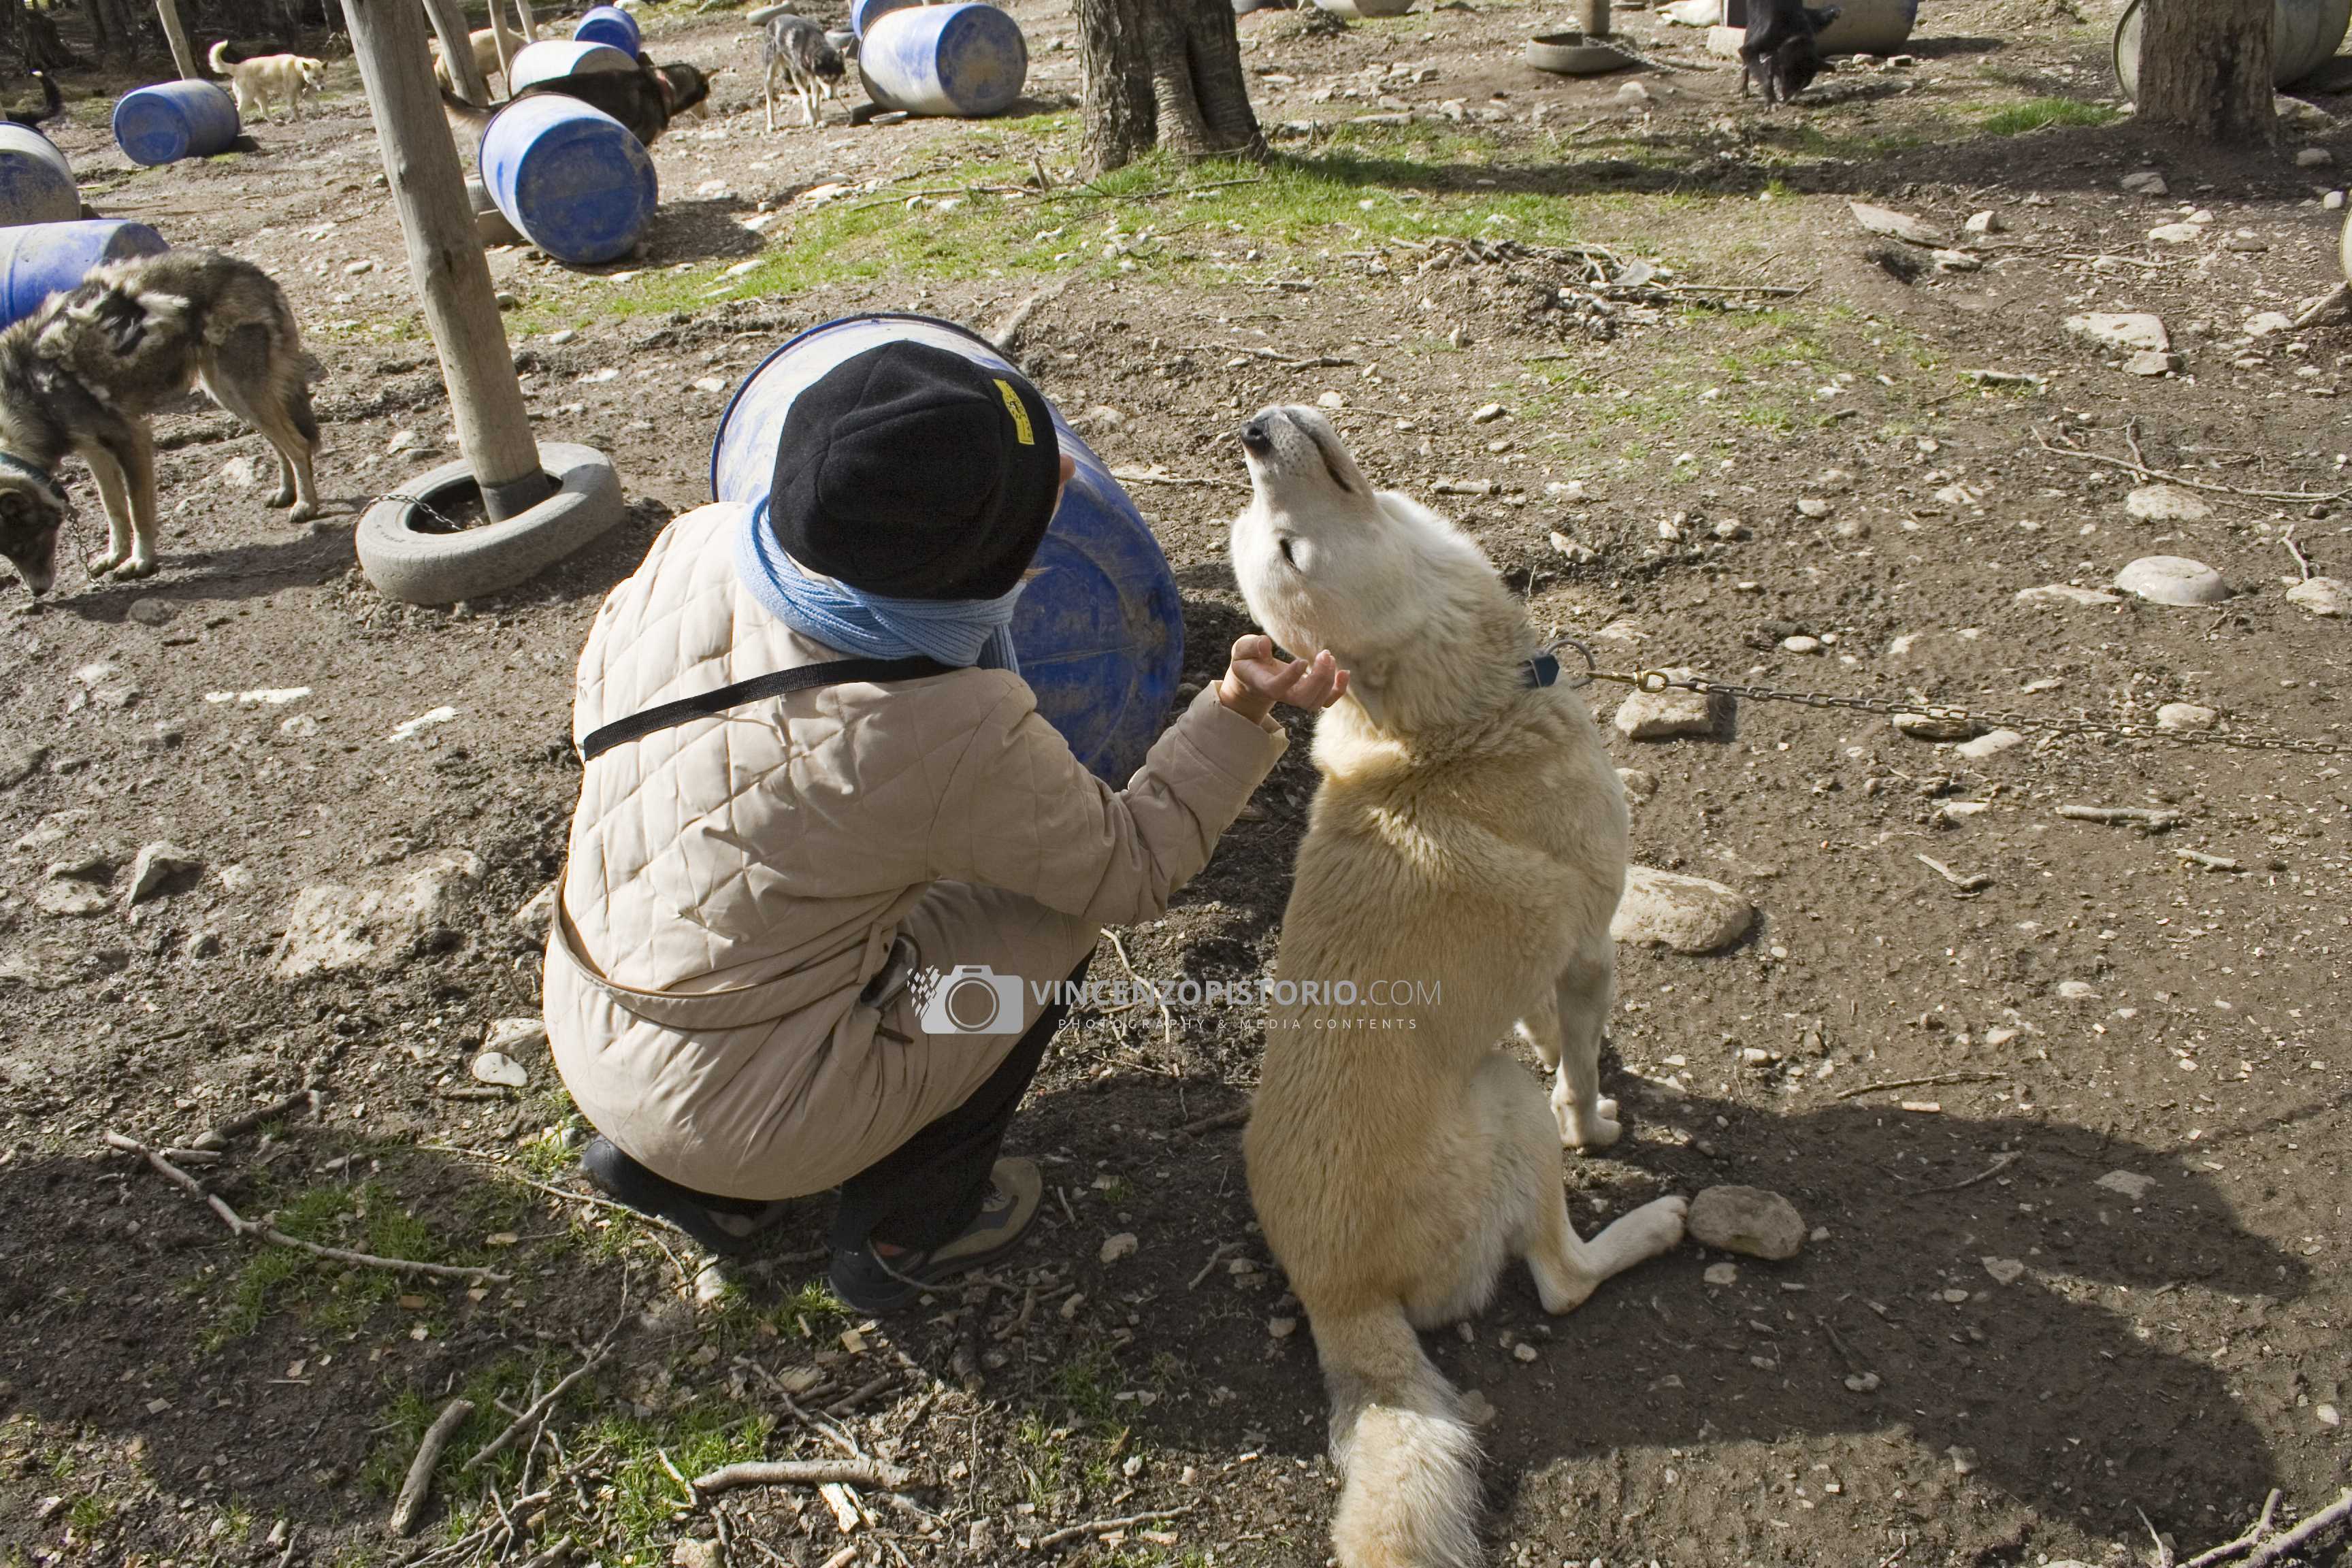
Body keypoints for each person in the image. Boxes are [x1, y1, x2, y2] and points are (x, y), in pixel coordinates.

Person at [544, 339, 1347, 1312]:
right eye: (1030, 494)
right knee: (1055, 919)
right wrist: (1236, 707)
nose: (1060, 476)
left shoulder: (697, 543)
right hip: (751, 1108)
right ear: (969, 568)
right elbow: (1132, 868)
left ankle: (683, 1181)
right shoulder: (939, 722)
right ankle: (906, 1227)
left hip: (592, 1021)